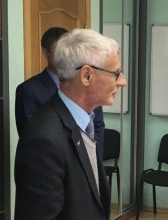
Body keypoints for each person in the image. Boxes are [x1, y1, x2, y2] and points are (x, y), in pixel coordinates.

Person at [1, 28, 126, 220]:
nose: (121, 81)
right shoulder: (45, 137)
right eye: (115, 73)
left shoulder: (83, 120)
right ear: (87, 75)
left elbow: (81, 200)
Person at [15, 27, 106, 155]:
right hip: (51, 162)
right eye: (59, 52)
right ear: (45, 52)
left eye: (69, 52)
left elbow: (98, 126)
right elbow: (31, 138)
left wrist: (94, 159)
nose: (65, 58)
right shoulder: (28, 90)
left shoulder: (86, 83)